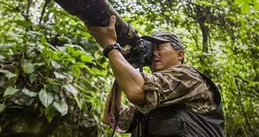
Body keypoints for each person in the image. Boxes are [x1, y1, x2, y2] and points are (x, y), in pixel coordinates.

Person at [86, 15, 225, 137]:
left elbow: (137, 91)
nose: (154, 53)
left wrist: (111, 46)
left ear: (180, 54)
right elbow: (112, 117)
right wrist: (123, 66)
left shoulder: (188, 77)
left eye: (159, 48)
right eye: (152, 49)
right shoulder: (155, 97)